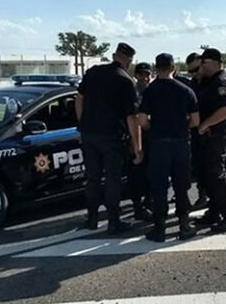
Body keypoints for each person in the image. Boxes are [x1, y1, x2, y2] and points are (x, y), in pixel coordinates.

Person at [75, 42, 142, 234]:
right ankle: (114, 221)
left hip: (89, 134)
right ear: (127, 60)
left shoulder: (93, 72)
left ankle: (92, 219)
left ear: (114, 56)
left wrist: (82, 123)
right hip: (112, 137)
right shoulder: (125, 80)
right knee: (112, 179)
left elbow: (79, 98)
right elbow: (132, 117)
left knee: (93, 178)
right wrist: (137, 146)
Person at [137, 53, 199, 242]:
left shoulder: (149, 91)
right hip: (180, 143)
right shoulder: (186, 90)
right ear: (174, 68)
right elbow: (195, 121)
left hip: (158, 144)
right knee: (181, 186)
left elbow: (141, 120)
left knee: (159, 187)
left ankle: (159, 229)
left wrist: (153, 128)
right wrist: (181, 127)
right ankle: (184, 226)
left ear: (156, 69)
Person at [194, 48, 226, 233]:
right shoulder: (207, 81)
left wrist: (204, 125)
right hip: (207, 138)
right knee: (207, 176)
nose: (200, 66)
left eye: (204, 62)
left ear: (214, 63)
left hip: (216, 136)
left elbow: (225, 110)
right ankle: (213, 212)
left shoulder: (220, 81)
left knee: (216, 177)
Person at [128, 62, 153, 220]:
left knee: (151, 172)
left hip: (150, 137)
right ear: (136, 75)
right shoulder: (131, 92)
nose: (144, 78)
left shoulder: (153, 91)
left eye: (147, 74)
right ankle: (137, 206)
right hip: (135, 137)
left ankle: (149, 201)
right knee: (135, 174)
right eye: (141, 74)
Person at [185, 52, 209, 211]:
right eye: (191, 71)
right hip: (194, 132)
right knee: (198, 166)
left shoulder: (214, 81)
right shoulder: (191, 85)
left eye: (196, 69)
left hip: (210, 132)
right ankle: (202, 195)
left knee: (211, 168)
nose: (194, 74)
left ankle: (210, 199)